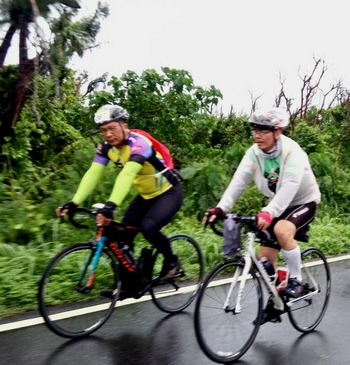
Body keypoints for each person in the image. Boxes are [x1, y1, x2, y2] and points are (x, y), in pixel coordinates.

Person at [56, 104, 183, 297]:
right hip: (146, 195)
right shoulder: (107, 148)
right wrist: (74, 202)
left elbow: (127, 174)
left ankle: (172, 261)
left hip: (168, 192)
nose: (107, 134)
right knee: (122, 234)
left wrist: (110, 206)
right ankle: (130, 284)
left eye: (112, 128)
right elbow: (93, 173)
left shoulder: (139, 143)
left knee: (148, 227)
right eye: (103, 130)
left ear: (125, 126)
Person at [205, 107, 321, 300]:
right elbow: (239, 181)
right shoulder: (254, 153)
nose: (257, 136)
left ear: (277, 132)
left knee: (282, 231)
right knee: (264, 261)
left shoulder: (293, 152)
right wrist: (221, 208)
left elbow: (290, 185)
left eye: (263, 131)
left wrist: (269, 212)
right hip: (277, 204)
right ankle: (277, 297)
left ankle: (296, 279)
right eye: (255, 130)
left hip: (303, 201)